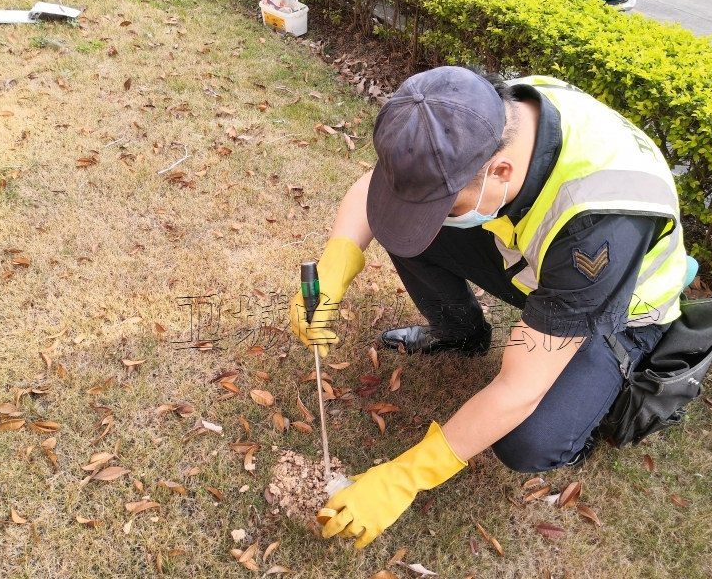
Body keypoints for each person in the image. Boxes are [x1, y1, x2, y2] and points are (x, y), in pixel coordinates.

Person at [290, 66, 688, 549]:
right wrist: (338, 263)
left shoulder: (600, 226)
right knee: (406, 228)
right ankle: (462, 334)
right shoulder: (481, 116)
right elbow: (385, 187)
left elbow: (520, 387)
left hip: (617, 308)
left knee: (530, 439)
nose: (435, 215)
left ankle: (591, 412)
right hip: (536, 263)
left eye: (445, 205)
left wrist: (406, 476)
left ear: (500, 173)